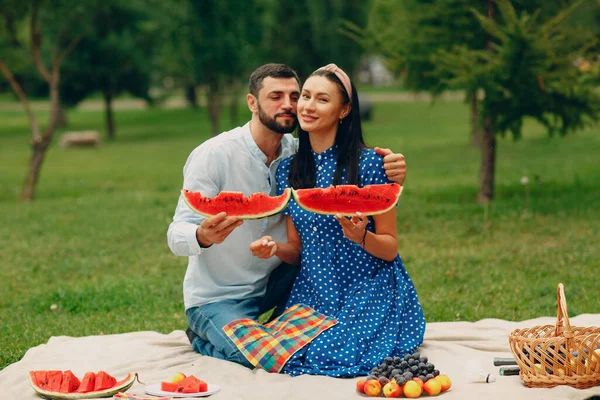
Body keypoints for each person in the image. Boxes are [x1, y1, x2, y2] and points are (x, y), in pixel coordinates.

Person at [167, 63, 408, 369]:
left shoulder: (295, 156)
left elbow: (379, 228)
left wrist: (393, 174)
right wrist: (202, 236)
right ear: (252, 103)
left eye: (295, 95)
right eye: (276, 96)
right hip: (220, 296)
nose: (292, 105)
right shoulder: (215, 155)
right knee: (264, 356)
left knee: (321, 352)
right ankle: (205, 337)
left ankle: (264, 329)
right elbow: (176, 233)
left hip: (281, 283)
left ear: (343, 109)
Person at [249, 64, 425, 377]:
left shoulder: (373, 165)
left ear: (344, 110)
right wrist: (274, 248)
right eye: (305, 96)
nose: (308, 106)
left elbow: (390, 249)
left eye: (322, 99)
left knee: (332, 352)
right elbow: (298, 250)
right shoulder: (291, 169)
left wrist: (361, 237)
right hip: (314, 292)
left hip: (368, 288)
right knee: (276, 350)